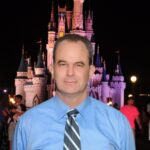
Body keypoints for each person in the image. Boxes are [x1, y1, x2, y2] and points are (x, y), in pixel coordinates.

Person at [13, 34, 135, 150]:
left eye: (79, 65)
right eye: (63, 64)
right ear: (52, 69)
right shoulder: (27, 124)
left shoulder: (117, 123)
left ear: (92, 71)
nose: (70, 73)